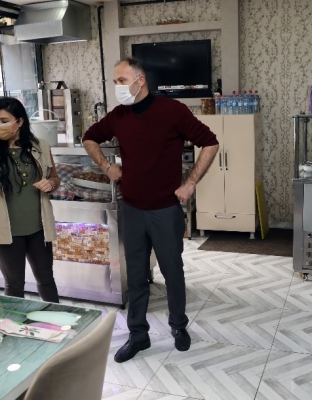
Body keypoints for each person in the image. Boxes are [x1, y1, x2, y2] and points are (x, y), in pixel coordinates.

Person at [82, 58, 219, 363]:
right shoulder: (118, 116)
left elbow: (210, 143)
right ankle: (138, 335)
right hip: (132, 208)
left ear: (140, 80)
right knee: (136, 276)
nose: (117, 87)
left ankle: (178, 326)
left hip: (165, 210)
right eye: (115, 82)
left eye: (121, 80)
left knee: (172, 273)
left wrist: (190, 183)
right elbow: (88, 137)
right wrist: (106, 166)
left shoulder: (172, 111)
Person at [0, 97, 61, 303]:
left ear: (20, 121)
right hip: (4, 230)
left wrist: (50, 184)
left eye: (4, 121)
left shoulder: (41, 146)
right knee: (14, 283)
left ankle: (57, 318)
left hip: (38, 227)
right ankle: (13, 322)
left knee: (46, 279)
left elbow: (54, 178)